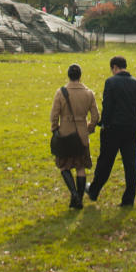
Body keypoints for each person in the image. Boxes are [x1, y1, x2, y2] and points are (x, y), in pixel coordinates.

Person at [87, 55, 136, 207]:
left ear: (114, 67)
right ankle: (128, 199)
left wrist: (103, 123)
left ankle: (94, 190)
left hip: (112, 129)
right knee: (130, 164)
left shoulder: (111, 82)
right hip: (131, 129)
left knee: (105, 162)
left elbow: (108, 106)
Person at [50, 63, 100, 209]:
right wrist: (88, 128)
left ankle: (75, 195)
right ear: (80, 75)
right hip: (81, 134)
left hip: (65, 133)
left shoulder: (60, 92)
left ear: (68, 75)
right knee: (80, 166)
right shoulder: (89, 93)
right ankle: (79, 199)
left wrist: (55, 129)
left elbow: (54, 115)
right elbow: (96, 116)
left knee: (64, 166)